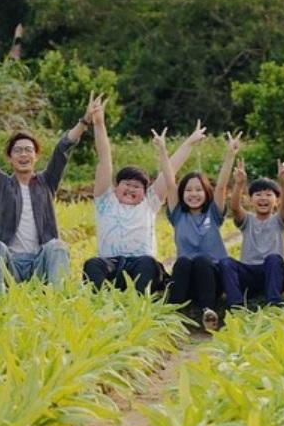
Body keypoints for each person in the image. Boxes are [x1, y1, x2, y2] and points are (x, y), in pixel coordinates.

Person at [0, 73, 96, 293]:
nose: (24, 154)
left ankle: (59, 301)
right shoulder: (0, 183)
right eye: (18, 150)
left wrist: (85, 120)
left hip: (38, 263)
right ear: (10, 158)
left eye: (28, 150)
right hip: (10, 264)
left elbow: (63, 149)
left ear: (36, 157)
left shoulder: (46, 182)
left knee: (57, 247)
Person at [82, 97, 205, 293]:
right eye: (127, 184)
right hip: (111, 264)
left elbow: (170, 170)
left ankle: (139, 302)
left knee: (149, 265)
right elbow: (104, 159)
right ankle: (99, 300)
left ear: (144, 192)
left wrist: (189, 143)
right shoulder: (105, 201)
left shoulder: (149, 203)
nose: (131, 189)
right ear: (115, 187)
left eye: (137, 187)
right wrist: (99, 124)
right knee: (92, 265)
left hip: (140, 264)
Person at [160, 131, 241, 331]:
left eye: (198, 190)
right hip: (187, 279)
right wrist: (162, 150)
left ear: (206, 193)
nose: (193, 194)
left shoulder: (213, 213)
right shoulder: (178, 214)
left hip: (212, 278)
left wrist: (230, 155)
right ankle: (173, 313)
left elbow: (221, 186)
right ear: (182, 194)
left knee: (201, 260)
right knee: (183, 262)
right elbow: (170, 183)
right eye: (188, 190)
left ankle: (208, 311)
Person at [220, 160, 284, 307]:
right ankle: (236, 304)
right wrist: (239, 184)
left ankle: (274, 302)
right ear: (251, 200)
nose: (263, 198)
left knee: (273, 259)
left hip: (274, 274)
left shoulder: (278, 220)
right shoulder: (248, 220)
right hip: (250, 274)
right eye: (258, 194)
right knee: (226, 262)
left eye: (268, 194)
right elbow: (234, 208)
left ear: (276, 201)